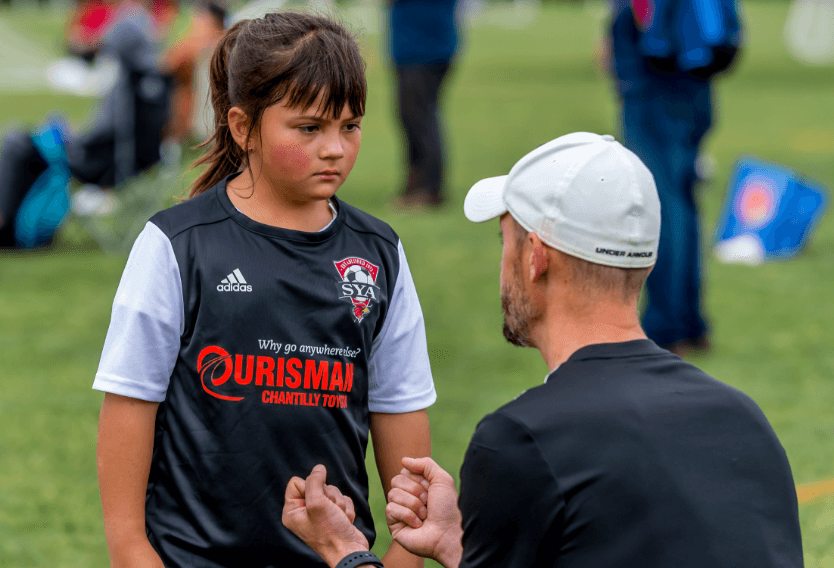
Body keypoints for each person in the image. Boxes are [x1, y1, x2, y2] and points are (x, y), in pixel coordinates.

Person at [281, 132, 804, 568]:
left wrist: (346, 551)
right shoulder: (743, 420)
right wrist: (461, 546)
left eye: (504, 238)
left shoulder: (522, 441)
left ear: (536, 257)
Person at [94, 13, 435, 567]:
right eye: (309, 128)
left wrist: (404, 553)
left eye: (350, 126)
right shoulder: (176, 245)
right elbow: (129, 405)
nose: (335, 148)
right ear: (242, 126)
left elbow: (402, 410)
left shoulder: (379, 253)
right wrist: (132, 550)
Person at [606, 0, 742, 355]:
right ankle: (689, 321)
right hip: (695, 75)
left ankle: (667, 325)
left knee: (660, 203)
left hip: (655, 78)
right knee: (683, 199)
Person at [0, 0, 171, 247]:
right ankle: (21, 228)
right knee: (29, 146)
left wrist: (70, 135)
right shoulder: (154, 87)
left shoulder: (131, 93)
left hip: (98, 163)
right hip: (121, 161)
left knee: (17, 142)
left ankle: (8, 226)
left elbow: (100, 137)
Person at [386, 0, 459, 209]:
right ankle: (416, 185)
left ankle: (429, 190)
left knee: (420, 118)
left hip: (424, 47)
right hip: (414, 46)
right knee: (411, 117)